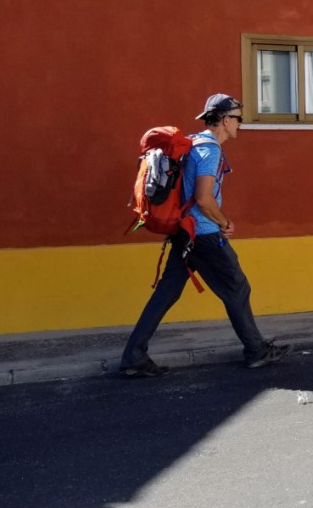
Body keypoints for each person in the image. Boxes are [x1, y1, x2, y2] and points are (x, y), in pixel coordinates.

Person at [120, 94, 288, 377]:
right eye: (238, 118)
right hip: (204, 235)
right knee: (237, 288)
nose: (240, 124)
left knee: (166, 293)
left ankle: (133, 356)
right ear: (224, 120)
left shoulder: (193, 143)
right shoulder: (210, 151)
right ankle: (256, 351)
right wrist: (225, 222)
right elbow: (203, 198)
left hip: (183, 233)